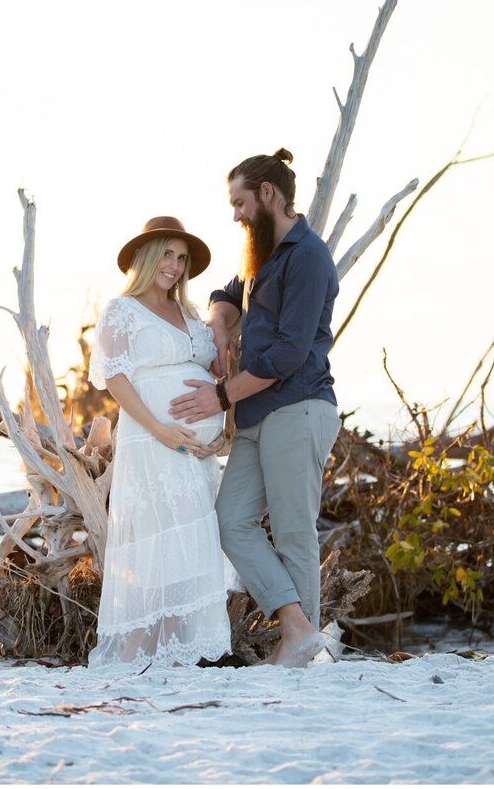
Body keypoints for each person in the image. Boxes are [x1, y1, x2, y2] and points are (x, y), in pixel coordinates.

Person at [169, 149, 340, 668]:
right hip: (258, 414)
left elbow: (289, 354)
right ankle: (298, 629)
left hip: (298, 407)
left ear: (268, 194)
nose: (235, 215)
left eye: (240, 202)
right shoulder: (261, 255)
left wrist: (219, 396)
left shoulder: (308, 256)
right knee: (230, 521)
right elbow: (227, 291)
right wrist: (222, 323)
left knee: (293, 532)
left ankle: (300, 650)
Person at [86, 216, 233, 670]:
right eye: (167, 254)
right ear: (146, 256)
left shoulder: (190, 314)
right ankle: (140, 652)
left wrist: (223, 430)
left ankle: (190, 651)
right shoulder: (121, 310)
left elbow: (215, 376)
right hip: (152, 443)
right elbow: (115, 378)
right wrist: (159, 428)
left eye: (182, 258)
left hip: (195, 452)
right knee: (155, 543)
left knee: (193, 541)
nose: (174, 265)